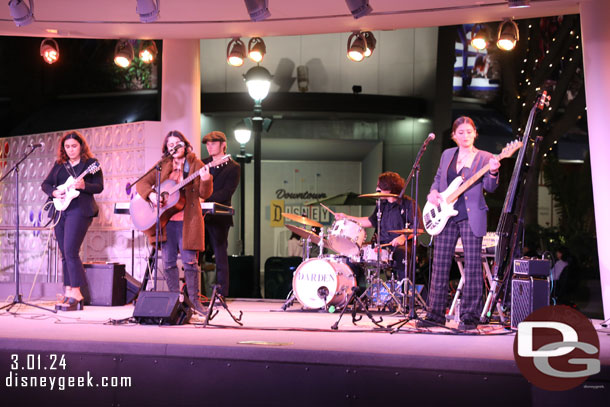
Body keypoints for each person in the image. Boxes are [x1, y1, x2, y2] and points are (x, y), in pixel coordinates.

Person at [422, 116, 500, 329]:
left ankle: (469, 317)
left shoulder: (485, 157)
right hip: (445, 215)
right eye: (461, 132)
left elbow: (491, 188)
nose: (465, 136)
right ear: (454, 136)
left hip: (471, 216)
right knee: (439, 265)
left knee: (473, 267)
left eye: (469, 131)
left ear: (475, 133)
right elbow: (439, 178)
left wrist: (493, 171)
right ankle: (435, 314)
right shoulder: (447, 154)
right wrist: (433, 193)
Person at [136, 130, 213, 313]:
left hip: (188, 220)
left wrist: (206, 178)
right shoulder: (162, 165)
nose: (174, 147)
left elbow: (205, 193)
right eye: (170, 145)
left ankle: (194, 302)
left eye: (177, 143)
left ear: (185, 145)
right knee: (168, 262)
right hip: (165, 222)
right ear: (166, 149)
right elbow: (142, 184)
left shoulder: (195, 164)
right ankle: (174, 301)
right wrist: (153, 195)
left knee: (190, 262)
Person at [42, 130, 104, 311]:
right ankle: (68, 290)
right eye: (67, 147)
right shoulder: (59, 165)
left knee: (70, 250)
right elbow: (45, 184)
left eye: (74, 146)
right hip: (61, 210)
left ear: (81, 146)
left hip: (80, 209)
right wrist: (54, 192)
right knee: (64, 253)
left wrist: (85, 185)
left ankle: (77, 292)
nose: (70, 150)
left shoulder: (91, 164)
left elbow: (99, 186)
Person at [334, 172, 417, 281]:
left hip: (402, 245)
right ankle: (354, 293)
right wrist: (346, 217)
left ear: (389, 188)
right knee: (353, 255)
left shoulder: (408, 204)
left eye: (380, 186)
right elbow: (370, 221)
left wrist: (402, 237)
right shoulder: (381, 204)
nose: (377, 189)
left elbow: (417, 228)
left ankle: (405, 292)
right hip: (381, 245)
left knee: (402, 253)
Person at [201, 131, 240, 297]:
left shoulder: (233, 167)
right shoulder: (202, 164)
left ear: (223, 145)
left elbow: (226, 193)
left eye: (213, 143)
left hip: (220, 218)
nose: (209, 147)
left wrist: (204, 198)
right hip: (201, 216)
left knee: (220, 255)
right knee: (196, 255)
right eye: (207, 144)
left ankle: (222, 293)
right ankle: (197, 293)